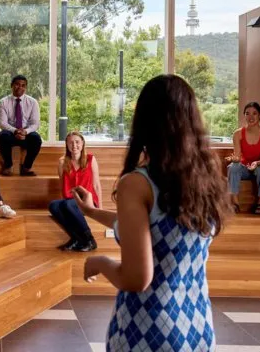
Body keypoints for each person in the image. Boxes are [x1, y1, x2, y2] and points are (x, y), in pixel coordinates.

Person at [75, 74, 233, 351]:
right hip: (197, 327)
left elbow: (137, 278)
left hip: (149, 330)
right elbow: (149, 230)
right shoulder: (203, 180)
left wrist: (99, 262)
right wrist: (90, 211)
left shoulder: (138, 183)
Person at [48, 131, 101, 252]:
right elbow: (63, 185)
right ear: (66, 145)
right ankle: (76, 238)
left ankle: (89, 240)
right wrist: (64, 207)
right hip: (71, 202)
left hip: (88, 201)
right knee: (54, 205)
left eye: (77, 142)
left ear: (82, 143)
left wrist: (99, 208)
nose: (74, 145)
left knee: (67, 204)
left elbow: (97, 185)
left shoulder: (91, 159)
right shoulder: (62, 162)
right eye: (70, 142)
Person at [226, 102, 260, 214]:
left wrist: (256, 163)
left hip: (259, 167)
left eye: (254, 113)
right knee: (233, 167)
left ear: (259, 115)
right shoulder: (238, 133)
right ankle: (235, 203)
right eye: (247, 114)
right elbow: (237, 156)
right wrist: (235, 159)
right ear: (244, 115)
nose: (250, 117)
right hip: (244, 169)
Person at [0, 75, 42, 176]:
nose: (20, 87)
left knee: (36, 138)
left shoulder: (33, 102)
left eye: (23, 85)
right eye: (17, 84)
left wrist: (25, 131)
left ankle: (26, 167)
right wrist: (15, 131)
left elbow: (35, 123)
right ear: (12, 85)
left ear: (25, 87)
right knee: (3, 135)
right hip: (11, 134)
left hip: (26, 134)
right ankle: (8, 166)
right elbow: (3, 123)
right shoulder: (3, 102)